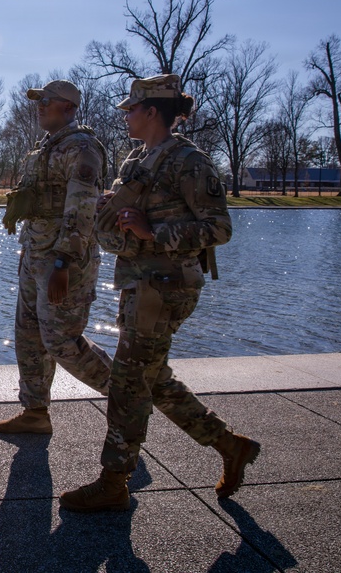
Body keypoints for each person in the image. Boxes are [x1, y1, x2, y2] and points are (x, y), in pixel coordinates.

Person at [59, 74, 260, 513]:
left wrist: (153, 231)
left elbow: (219, 228)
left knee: (129, 386)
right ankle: (230, 445)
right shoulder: (139, 159)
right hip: (139, 283)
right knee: (154, 380)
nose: (126, 116)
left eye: (131, 109)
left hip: (166, 288)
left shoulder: (189, 162)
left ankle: (114, 481)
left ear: (153, 112)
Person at [0, 79, 113, 436]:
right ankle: (35, 412)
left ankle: (127, 396)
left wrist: (63, 262)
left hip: (64, 262)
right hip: (35, 255)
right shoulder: (44, 147)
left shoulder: (82, 148)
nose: (40, 106)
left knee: (61, 340)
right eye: (38, 101)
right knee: (28, 334)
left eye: (47, 101)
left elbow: (82, 210)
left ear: (70, 108)